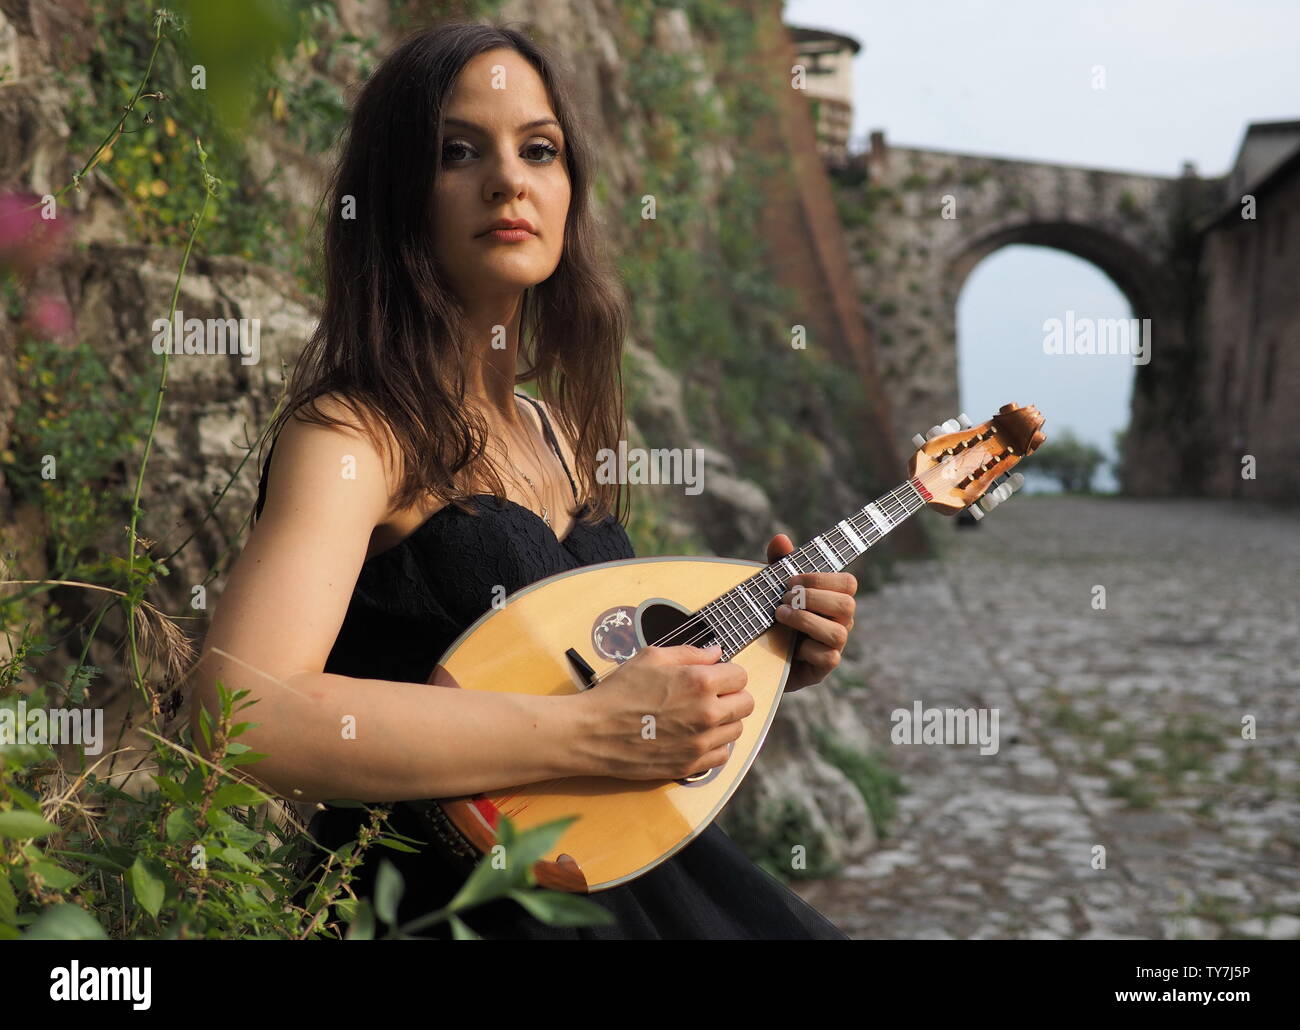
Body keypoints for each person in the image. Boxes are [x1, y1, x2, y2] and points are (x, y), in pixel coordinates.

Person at [193, 20, 857, 939]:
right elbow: (244, 715)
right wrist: (599, 732)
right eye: (457, 152)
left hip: (620, 871)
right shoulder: (352, 433)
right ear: (394, 193)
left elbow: (587, 678)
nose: (508, 178)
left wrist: (767, 654)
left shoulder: (557, 430)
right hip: (453, 909)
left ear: (570, 187)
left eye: (538, 149)